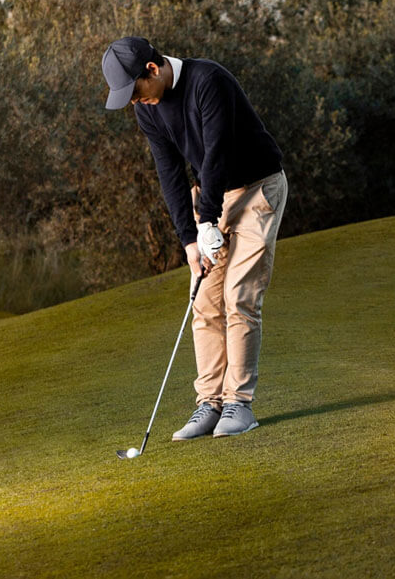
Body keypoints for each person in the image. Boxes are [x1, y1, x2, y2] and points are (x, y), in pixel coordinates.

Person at [101, 36, 287, 440]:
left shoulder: (208, 81)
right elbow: (169, 172)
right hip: (211, 198)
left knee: (239, 296)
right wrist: (190, 240)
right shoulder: (148, 109)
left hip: (257, 189)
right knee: (203, 301)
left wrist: (208, 220)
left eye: (135, 92)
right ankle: (210, 403)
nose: (136, 102)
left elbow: (217, 153)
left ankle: (239, 404)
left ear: (153, 69)